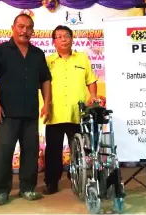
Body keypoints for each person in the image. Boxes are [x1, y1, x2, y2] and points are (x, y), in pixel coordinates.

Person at [0, 13, 51, 205]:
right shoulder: (0, 50)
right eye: (21, 26)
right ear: (13, 27)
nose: (24, 30)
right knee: (3, 153)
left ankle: (28, 188)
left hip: (31, 111)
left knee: (30, 152)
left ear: (33, 30)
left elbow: (45, 79)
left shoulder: (38, 53)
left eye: (28, 27)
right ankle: (0, 191)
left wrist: (46, 102)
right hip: (7, 112)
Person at [43, 25, 97, 195]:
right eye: (59, 36)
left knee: (79, 148)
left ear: (72, 39)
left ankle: (76, 175)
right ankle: (52, 182)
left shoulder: (82, 59)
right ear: (54, 42)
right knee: (53, 150)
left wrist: (93, 95)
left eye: (66, 35)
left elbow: (91, 80)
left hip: (77, 112)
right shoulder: (47, 61)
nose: (63, 39)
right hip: (55, 113)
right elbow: (42, 84)